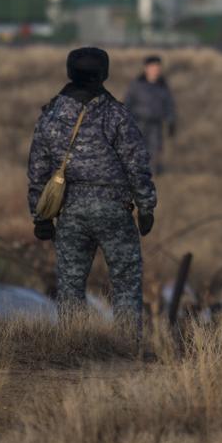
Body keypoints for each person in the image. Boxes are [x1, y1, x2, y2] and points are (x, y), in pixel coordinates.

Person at [28, 47, 156, 340]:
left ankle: (71, 345)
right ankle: (126, 346)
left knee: (70, 285)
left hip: (70, 212)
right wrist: (146, 207)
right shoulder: (116, 114)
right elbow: (137, 164)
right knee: (125, 283)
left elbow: (38, 170)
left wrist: (40, 215)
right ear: (105, 74)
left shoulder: (51, 115)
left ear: (70, 72)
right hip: (114, 210)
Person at [123, 55, 177, 174]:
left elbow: (169, 105)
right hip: (138, 123)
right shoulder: (136, 85)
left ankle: (150, 176)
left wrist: (171, 122)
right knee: (136, 150)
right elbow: (127, 103)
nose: (155, 70)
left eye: (157, 67)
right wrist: (125, 122)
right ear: (146, 68)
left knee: (154, 150)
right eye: (152, 67)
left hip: (156, 125)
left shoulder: (163, 86)